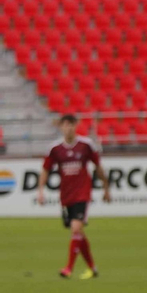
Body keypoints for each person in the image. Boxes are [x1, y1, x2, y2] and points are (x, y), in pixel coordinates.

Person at [39, 113, 108, 279]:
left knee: (76, 228)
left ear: (76, 125)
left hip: (82, 192)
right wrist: (40, 190)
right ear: (61, 127)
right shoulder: (55, 148)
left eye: (71, 124)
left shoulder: (86, 145)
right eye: (65, 124)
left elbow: (98, 167)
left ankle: (68, 268)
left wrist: (106, 187)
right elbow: (46, 169)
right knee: (79, 233)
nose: (68, 127)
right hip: (66, 195)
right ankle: (92, 267)